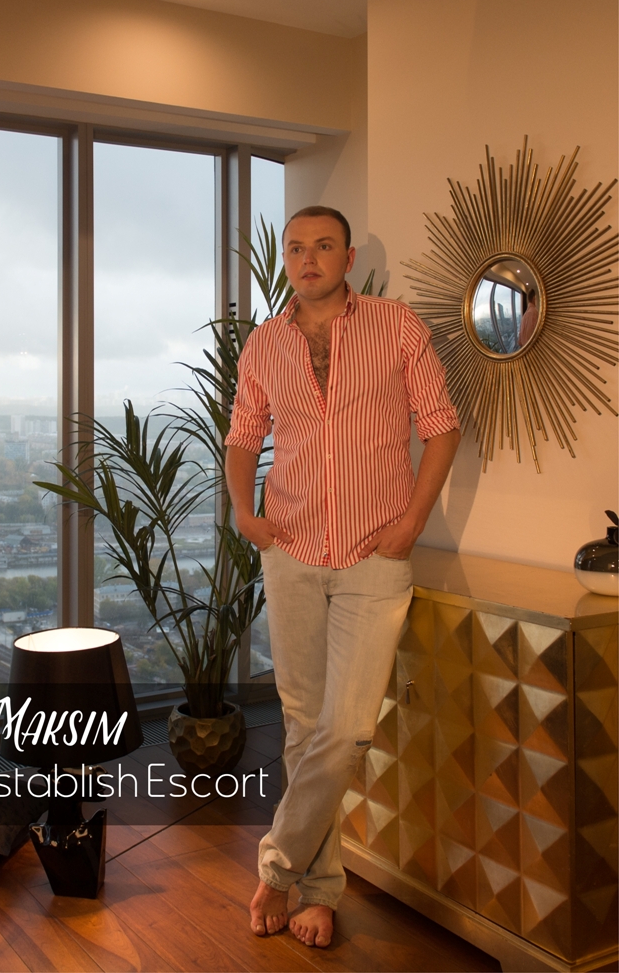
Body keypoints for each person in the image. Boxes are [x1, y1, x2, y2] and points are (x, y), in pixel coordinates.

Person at [224, 206, 461, 948]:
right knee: (303, 726)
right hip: (292, 551)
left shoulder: (397, 327)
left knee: (349, 728)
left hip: (373, 555)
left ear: (348, 257)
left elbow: (441, 426)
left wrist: (412, 522)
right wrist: (244, 512)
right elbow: (243, 435)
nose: (308, 259)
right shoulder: (265, 344)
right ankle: (318, 892)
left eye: (323, 246)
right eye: (296, 248)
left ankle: (278, 865)